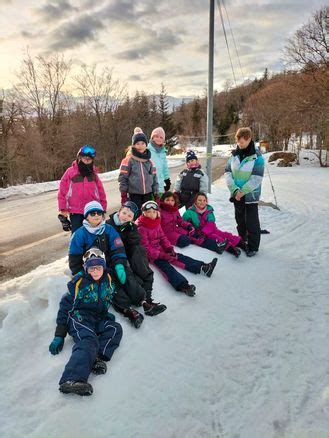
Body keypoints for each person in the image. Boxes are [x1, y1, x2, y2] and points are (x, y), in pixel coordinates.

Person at [49, 249, 122, 396]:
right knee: (88, 340)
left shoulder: (107, 279)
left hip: (97, 318)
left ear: (104, 267)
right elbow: (65, 308)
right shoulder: (78, 283)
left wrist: (104, 313)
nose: (95, 271)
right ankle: (71, 379)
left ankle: (97, 358)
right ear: (85, 268)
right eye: (91, 268)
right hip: (79, 318)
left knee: (115, 329)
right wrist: (60, 334)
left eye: (98, 267)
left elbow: (106, 297)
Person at [68, 200, 147, 328]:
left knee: (126, 275)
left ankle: (142, 300)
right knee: (111, 285)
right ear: (86, 216)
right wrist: (80, 273)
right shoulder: (79, 234)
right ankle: (128, 310)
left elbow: (118, 247)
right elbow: (74, 258)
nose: (96, 216)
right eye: (92, 213)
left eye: (99, 213)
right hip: (94, 269)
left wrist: (119, 263)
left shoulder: (108, 229)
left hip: (111, 262)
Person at [136, 200, 218, 297]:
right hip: (153, 255)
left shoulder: (156, 222)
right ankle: (184, 286)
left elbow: (163, 237)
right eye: (148, 212)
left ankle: (202, 267)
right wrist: (161, 255)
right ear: (144, 213)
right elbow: (146, 248)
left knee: (178, 256)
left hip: (161, 249)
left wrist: (168, 248)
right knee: (166, 267)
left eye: (153, 212)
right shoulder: (141, 228)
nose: (151, 214)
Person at [107, 200, 167, 316]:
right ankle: (139, 301)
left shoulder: (131, 227)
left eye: (130, 216)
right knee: (126, 275)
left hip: (126, 255)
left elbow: (135, 243)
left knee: (139, 250)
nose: (125, 217)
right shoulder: (109, 225)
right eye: (124, 213)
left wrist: (131, 230)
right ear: (119, 212)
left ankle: (147, 297)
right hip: (114, 258)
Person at [224, 127, 265, 257]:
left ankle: (253, 246)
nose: (239, 145)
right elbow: (228, 172)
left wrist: (243, 191)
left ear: (249, 139)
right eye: (238, 142)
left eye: (241, 142)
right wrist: (235, 190)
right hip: (236, 194)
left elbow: (256, 178)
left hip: (250, 195)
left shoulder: (257, 158)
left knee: (251, 221)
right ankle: (242, 240)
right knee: (240, 219)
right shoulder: (234, 155)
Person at [58, 145, 107, 233]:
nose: (87, 161)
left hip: (92, 209)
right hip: (75, 210)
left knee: (93, 233)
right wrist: (63, 209)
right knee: (77, 234)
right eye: (85, 158)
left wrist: (102, 208)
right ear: (79, 158)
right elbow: (62, 191)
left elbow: (100, 191)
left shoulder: (93, 174)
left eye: (89, 159)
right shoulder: (70, 172)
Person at [160, 191, 227, 254]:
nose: (170, 202)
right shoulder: (159, 212)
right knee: (186, 240)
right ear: (163, 200)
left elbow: (180, 221)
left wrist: (188, 226)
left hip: (176, 229)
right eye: (167, 200)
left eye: (172, 200)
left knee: (194, 234)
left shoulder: (174, 210)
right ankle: (213, 245)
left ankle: (216, 246)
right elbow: (157, 227)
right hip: (167, 233)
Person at [183, 192, 242, 258]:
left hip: (210, 230)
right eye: (199, 200)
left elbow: (211, 223)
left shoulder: (209, 209)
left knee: (224, 234)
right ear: (195, 201)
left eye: (204, 200)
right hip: (199, 234)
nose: (202, 202)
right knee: (216, 237)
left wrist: (204, 232)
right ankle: (232, 249)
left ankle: (241, 244)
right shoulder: (189, 212)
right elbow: (183, 224)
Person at [118, 132, 159, 212]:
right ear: (133, 145)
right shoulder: (128, 160)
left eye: (143, 143)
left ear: (146, 145)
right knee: (136, 214)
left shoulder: (150, 162)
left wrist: (156, 194)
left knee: (147, 214)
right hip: (134, 194)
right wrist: (123, 194)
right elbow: (123, 178)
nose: (140, 146)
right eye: (137, 143)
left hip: (148, 194)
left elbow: (154, 178)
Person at [148, 127, 171, 194]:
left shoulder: (163, 151)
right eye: (156, 136)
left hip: (160, 184)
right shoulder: (147, 150)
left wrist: (167, 179)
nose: (159, 139)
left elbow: (164, 167)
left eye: (161, 137)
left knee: (160, 202)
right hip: (150, 184)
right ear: (152, 137)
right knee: (152, 204)